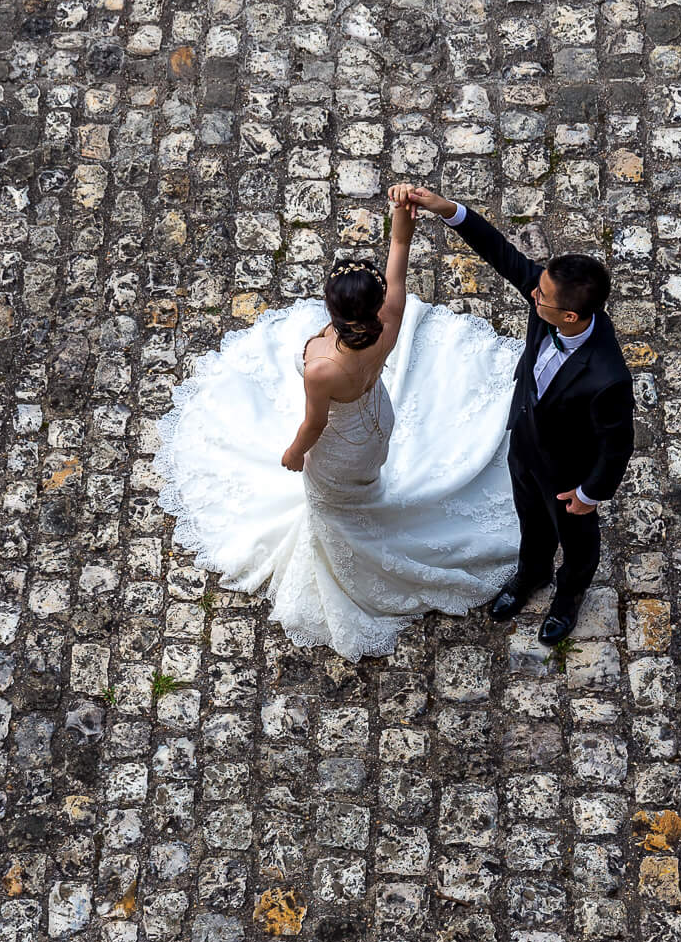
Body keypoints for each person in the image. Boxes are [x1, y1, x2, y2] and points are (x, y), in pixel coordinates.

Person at [152, 191, 521, 660]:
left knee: (330, 502)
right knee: (362, 489)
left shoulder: (322, 369)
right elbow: (399, 263)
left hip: (340, 446)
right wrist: (400, 221)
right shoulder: (389, 322)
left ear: (334, 311)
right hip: (376, 421)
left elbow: (314, 424)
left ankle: (348, 559)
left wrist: (292, 454)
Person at [390, 183, 635, 645]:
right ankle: (532, 573)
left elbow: (618, 443)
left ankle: (567, 599)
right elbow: (501, 252)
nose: (532, 295)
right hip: (524, 444)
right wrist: (447, 210)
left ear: (570, 318)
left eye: (542, 297)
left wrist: (590, 493)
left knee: (577, 543)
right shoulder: (549, 299)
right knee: (529, 517)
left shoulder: (608, 378)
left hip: (569, 474)